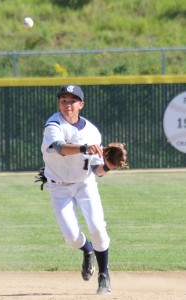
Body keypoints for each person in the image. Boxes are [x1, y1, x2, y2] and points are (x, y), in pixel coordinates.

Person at [41, 84, 116, 294]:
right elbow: (59, 148)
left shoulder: (92, 132)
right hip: (58, 188)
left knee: (97, 228)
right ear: (59, 104)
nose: (67, 105)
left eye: (72, 101)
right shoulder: (53, 124)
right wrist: (83, 148)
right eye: (63, 100)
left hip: (85, 184)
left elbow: (97, 170)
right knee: (72, 238)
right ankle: (87, 249)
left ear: (81, 104)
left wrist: (109, 166)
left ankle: (104, 276)